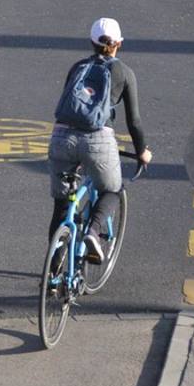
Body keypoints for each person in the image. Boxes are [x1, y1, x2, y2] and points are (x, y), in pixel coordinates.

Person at [48, 18, 152, 263]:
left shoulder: (77, 67)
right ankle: (93, 232)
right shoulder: (124, 72)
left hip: (62, 135)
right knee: (113, 188)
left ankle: (52, 274)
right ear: (119, 44)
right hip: (98, 139)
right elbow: (134, 121)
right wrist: (141, 152)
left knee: (62, 207)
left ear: (92, 42)